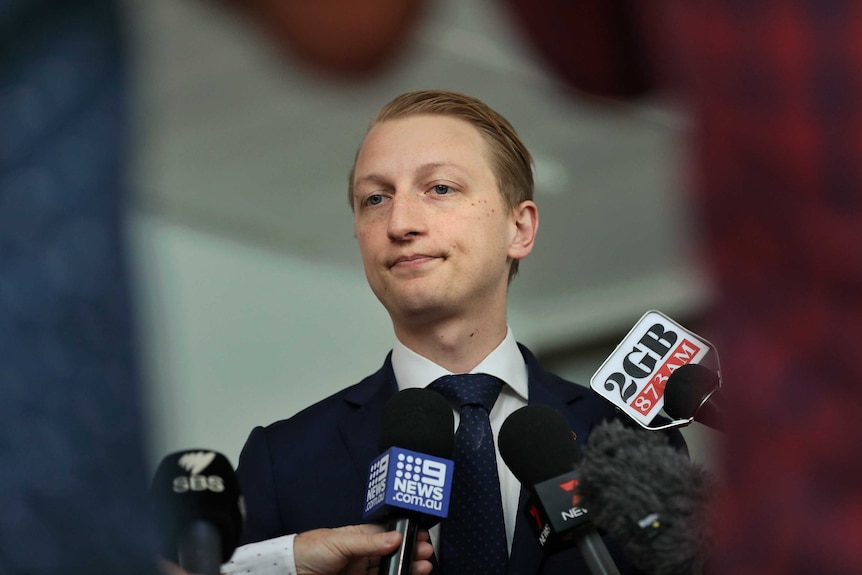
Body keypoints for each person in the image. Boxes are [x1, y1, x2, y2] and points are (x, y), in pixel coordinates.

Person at [232, 89, 687, 575]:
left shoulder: (632, 438)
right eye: (375, 198)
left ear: (519, 229)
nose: (400, 222)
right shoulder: (284, 460)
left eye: (440, 188)